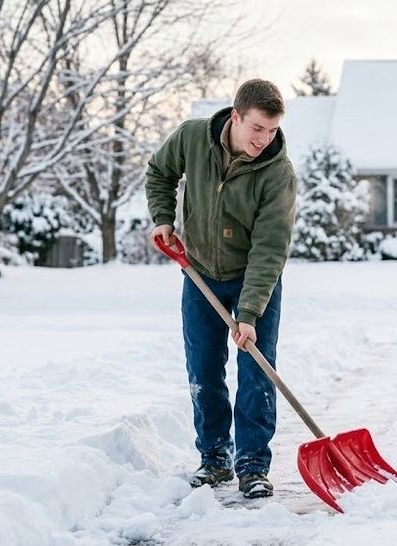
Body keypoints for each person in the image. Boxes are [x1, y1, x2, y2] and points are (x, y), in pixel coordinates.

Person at [145, 79, 296, 498]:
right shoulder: (193, 137)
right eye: (256, 129)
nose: (264, 140)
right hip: (200, 273)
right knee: (204, 370)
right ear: (236, 116)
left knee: (256, 373)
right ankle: (214, 459)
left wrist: (248, 315)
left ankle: (252, 465)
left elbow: (270, 249)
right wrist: (163, 218)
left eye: (271, 130)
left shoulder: (277, 173)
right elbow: (159, 172)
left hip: (255, 277)